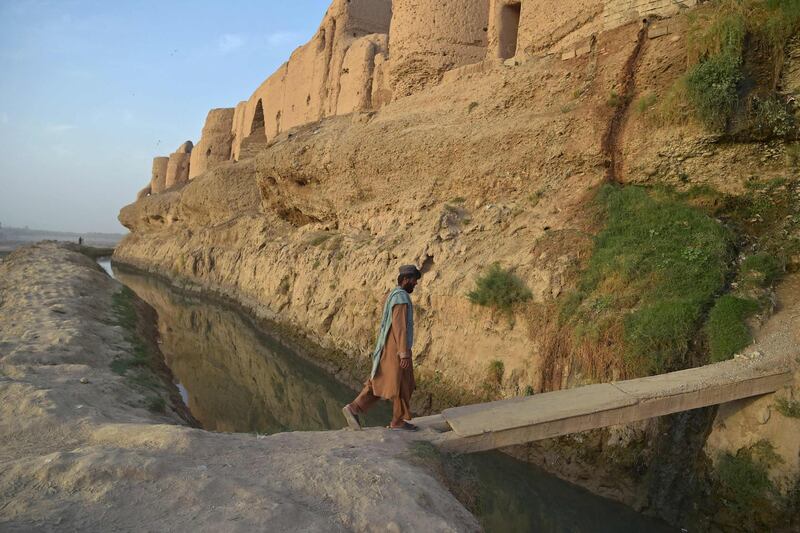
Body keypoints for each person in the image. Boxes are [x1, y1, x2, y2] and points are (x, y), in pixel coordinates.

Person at [342, 265, 421, 431]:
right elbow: (400, 327)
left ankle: (354, 408)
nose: (415, 284)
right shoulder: (400, 298)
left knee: (383, 381)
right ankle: (396, 421)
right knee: (401, 383)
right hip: (395, 349)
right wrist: (403, 353)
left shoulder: (393, 294)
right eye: (414, 280)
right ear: (406, 279)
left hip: (389, 348)